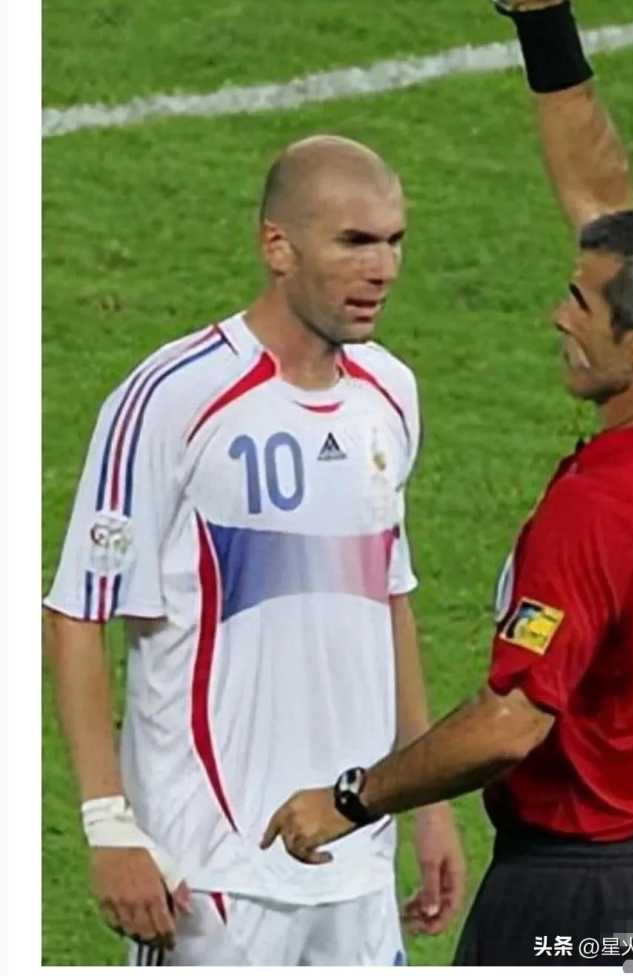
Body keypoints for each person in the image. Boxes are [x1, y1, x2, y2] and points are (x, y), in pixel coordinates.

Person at [262, 0, 633, 966]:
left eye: (580, 303)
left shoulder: (600, 507)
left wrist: (350, 800)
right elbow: (604, 202)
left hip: (581, 895)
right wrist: (545, 19)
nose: (555, 315)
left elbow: (509, 723)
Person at [44, 135, 465, 966]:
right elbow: (78, 614)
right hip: (211, 874)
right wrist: (109, 825)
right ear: (278, 246)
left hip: (356, 860)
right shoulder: (173, 396)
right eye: (355, 242)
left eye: (394, 241)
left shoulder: (391, 394)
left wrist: (427, 801)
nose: (383, 269)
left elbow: (389, 599)